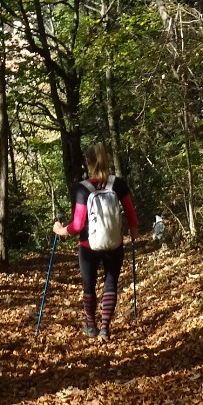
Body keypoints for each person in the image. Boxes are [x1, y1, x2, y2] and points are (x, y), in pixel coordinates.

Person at [53, 143, 138, 339]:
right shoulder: (118, 183)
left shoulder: (82, 188)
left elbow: (77, 225)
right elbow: (131, 212)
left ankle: (90, 325)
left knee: (88, 286)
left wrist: (60, 230)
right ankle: (105, 328)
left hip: (88, 245)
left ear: (87, 162)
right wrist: (133, 231)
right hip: (114, 243)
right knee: (110, 284)